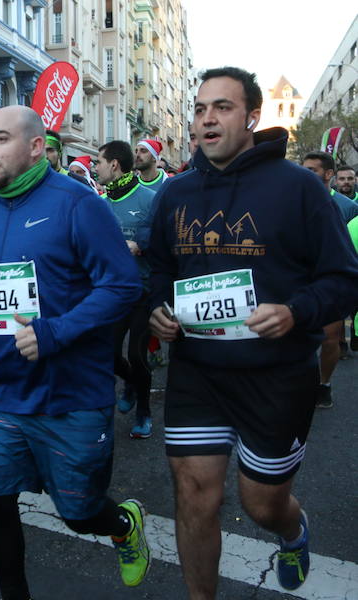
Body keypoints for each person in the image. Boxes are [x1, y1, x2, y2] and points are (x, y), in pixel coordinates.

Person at [148, 66, 358, 597]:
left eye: (222, 107)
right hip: (197, 371)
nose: (207, 118)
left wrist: (296, 310)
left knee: (261, 505)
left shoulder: (301, 188)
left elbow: (345, 279)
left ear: (252, 117)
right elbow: (156, 270)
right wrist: (157, 309)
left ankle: (293, 531)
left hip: (277, 375)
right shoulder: (175, 193)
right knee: (194, 493)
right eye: (199, 109)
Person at [0, 105, 148, 599]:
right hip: (2, 389)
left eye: (1, 138)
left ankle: (121, 522)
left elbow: (122, 286)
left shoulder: (78, 203)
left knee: (77, 513)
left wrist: (54, 332)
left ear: (34, 147)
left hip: (70, 393)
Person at [94, 140, 157, 438]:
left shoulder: (148, 198)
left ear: (114, 165)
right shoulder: (101, 204)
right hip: (113, 292)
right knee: (106, 353)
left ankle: (143, 410)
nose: (96, 168)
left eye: (99, 162)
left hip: (144, 291)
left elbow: (167, 243)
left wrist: (142, 245)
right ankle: (132, 382)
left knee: (137, 354)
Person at [301, 151, 358, 407]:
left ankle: (324, 384)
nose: (306, 174)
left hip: (330, 279)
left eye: (312, 170)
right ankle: (299, 382)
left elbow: (348, 247)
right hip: (300, 280)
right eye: (305, 169)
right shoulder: (293, 199)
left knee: (330, 337)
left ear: (328, 174)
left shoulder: (346, 207)